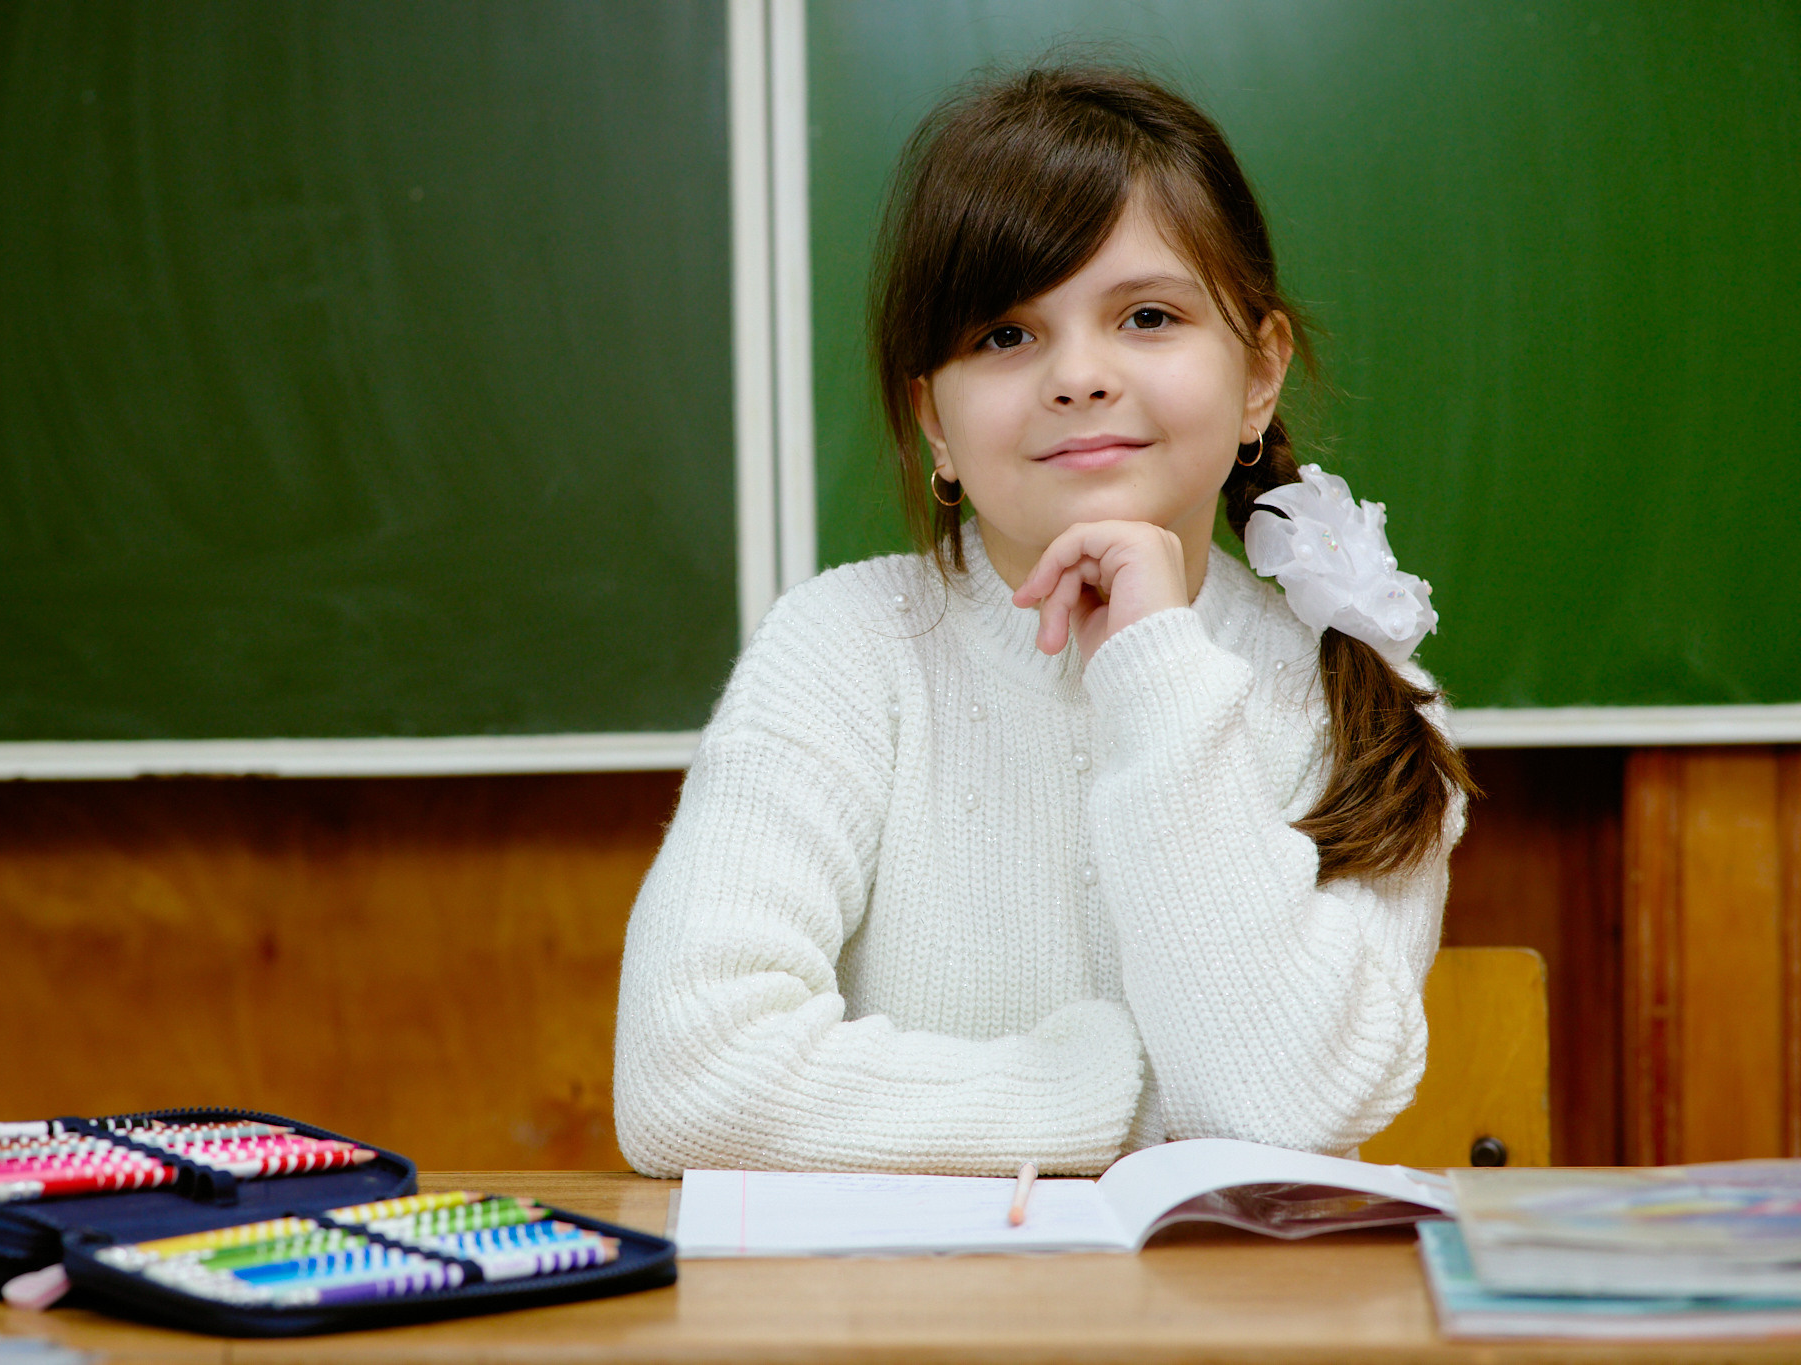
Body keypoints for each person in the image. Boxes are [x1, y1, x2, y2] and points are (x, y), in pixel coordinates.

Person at [613, 64, 1473, 1178]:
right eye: (1005, 337)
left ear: (1257, 377)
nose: (1077, 376)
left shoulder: (1355, 700)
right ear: (933, 420)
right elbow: (688, 1081)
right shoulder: (845, 646)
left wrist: (1156, 667)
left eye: (1148, 316)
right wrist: (1103, 1096)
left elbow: (1286, 1117)